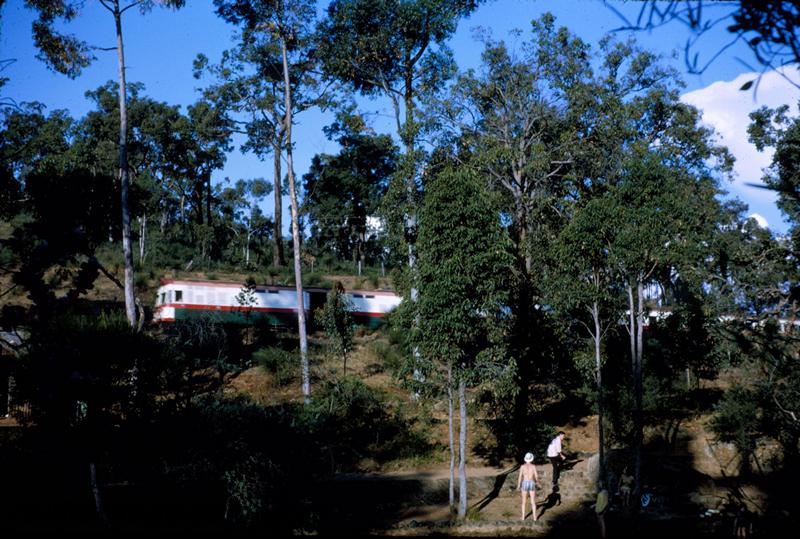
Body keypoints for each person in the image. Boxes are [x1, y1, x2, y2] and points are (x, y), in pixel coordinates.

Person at [517, 452, 540, 521]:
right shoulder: (533, 466)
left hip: (524, 483)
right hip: (531, 483)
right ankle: (535, 517)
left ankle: (523, 517)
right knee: (533, 501)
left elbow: (520, 476)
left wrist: (518, 485)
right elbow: (536, 476)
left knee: (523, 501)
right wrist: (538, 483)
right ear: (531, 459)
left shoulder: (522, 466)